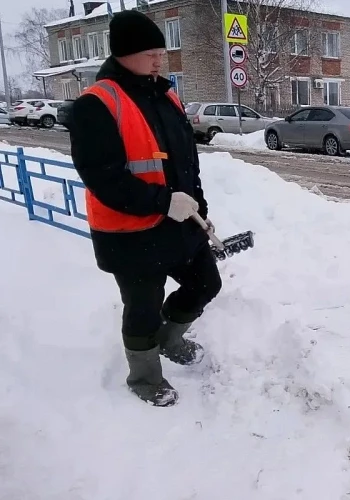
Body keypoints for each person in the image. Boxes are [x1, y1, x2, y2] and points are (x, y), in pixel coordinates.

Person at [69, 10, 222, 407]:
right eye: (151, 52)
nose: (160, 59)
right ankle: (144, 378)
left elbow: (186, 161)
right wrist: (163, 201)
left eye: (161, 51)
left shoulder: (166, 94)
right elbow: (102, 177)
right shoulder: (97, 104)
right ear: (124, 54)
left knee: (207, 284)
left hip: (179, 222)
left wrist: (197, 206)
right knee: (143, 308)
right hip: (130, 232)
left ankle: (170, 339)